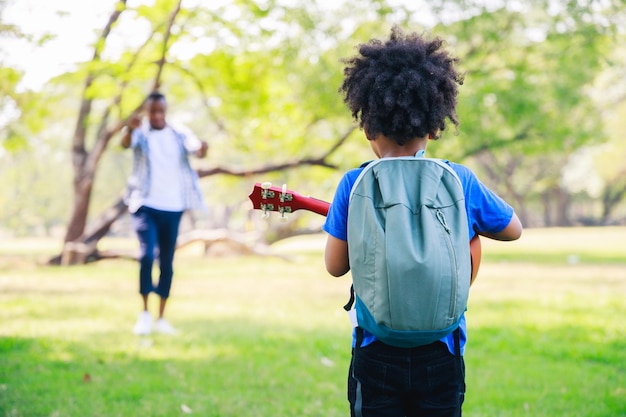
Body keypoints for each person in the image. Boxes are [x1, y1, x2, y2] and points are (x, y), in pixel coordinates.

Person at [323, 27, 523, 416]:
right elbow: (512, 229)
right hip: (442, 350)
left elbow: (335, 267)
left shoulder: (354, 182)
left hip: (375, 351)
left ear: (366, 128)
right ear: (434, 126)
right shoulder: (459, 180)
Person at [121, 91, 208, 335]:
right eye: (153, 111)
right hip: (145, 204)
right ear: (147, 112)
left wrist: (203, 148)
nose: (157, 116)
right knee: (147, 255)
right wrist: (128, 128)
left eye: (161, 111)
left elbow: (196, 149)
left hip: (173, 206)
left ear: (166, 111)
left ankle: (161, 318)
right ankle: (145, 314)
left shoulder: (179, 133)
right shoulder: (140, 131)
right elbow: (126, 143)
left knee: (167, 263)